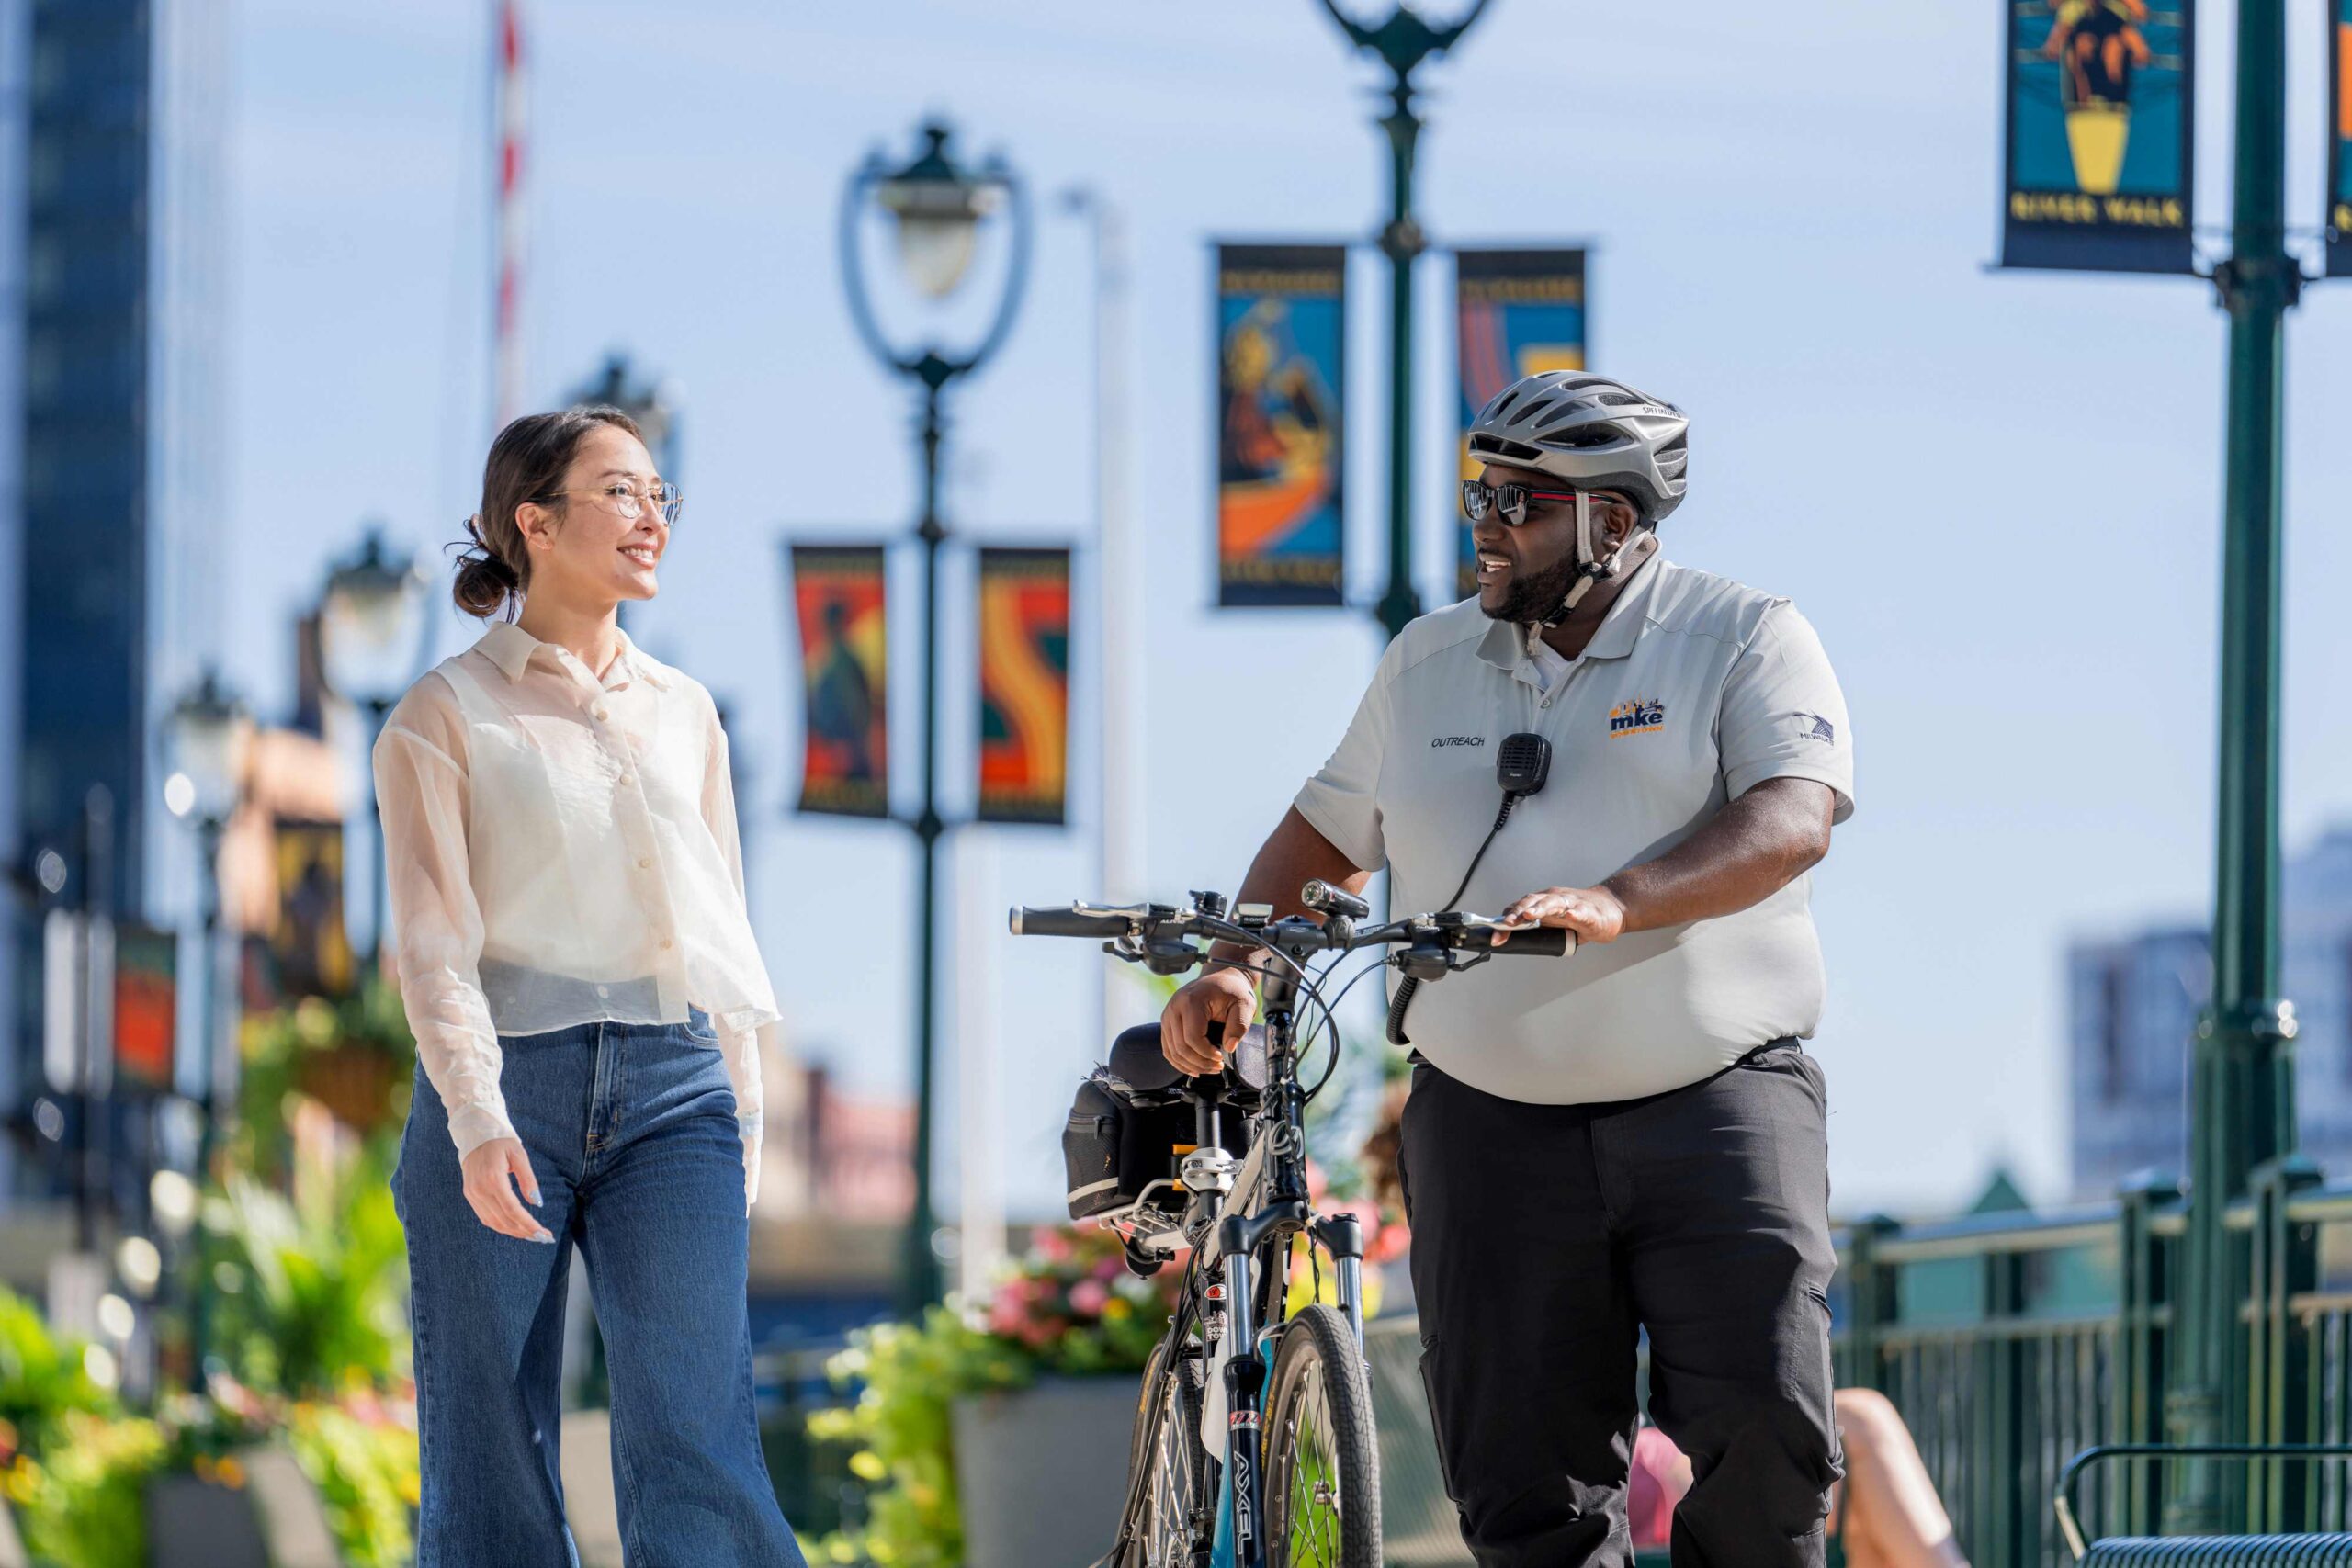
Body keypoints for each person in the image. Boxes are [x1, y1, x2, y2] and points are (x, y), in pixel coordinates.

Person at [1160, 370, 1855, 1566]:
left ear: (1618, 522)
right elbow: (1327, 830)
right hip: (1487, 1124)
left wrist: (1617, 898)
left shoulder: (1746, 633)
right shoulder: (1425, 660)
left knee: (1767, 1430)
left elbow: (1792, 815)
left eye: (1521, 499)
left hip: (1719, 1101)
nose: (1485, 518)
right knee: (1521, 1483)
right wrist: (1239, 961)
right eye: (1479, 490)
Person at [376, 405, 807, 1566]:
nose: (652, 517)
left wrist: (744, 1117)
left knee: (699, 1437)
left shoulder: (687, 713)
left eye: (661, 495)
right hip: (506, 1085)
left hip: (676, 1095)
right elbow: (432, 943)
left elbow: (715, 932)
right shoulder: (442, 713)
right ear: (536, 521)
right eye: (623, 492)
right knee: (490, 1452)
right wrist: (473, 1118)